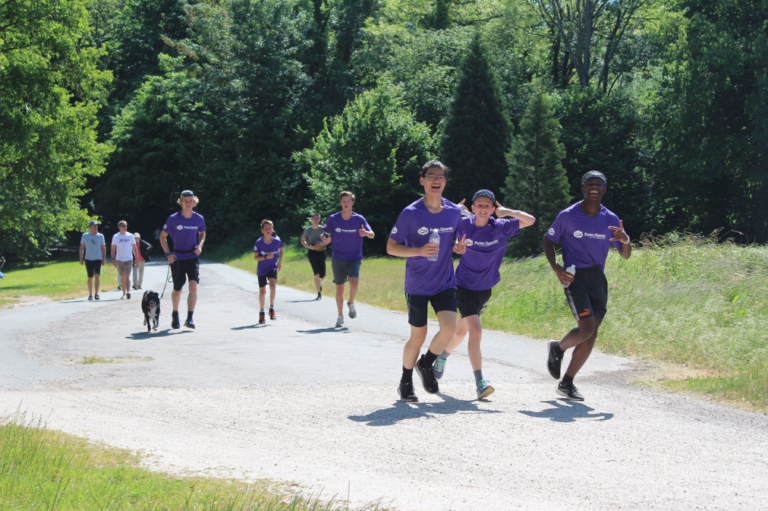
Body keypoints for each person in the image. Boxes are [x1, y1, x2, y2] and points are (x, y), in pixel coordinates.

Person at [435, 190, 535, 399]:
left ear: (492, 209)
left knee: (462, 332)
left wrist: (506, 211)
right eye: (479, 204)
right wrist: (457, 247)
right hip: (462, 285)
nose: (482, 208)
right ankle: (480, 382)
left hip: (485, 287)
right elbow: (448, 235)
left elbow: (530, 220)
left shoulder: (501, 227)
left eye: (487, 205)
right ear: (472, 208)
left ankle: (443, 356)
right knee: (477, 332)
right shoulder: (463, 224)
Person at [544, 171, 631, 401]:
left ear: (604, 189)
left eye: (599, 184)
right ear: (582, 189)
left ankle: (567, 383)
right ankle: (558, 349)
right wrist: (556, 267)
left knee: (591, 335)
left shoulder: (610, 218)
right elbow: (548, 240)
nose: (594, 187)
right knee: (585, 329)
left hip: (597, 279)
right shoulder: (568, 215)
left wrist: (625, 240)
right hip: (575, 277)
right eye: (589, 184)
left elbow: (625, 254)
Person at [387, 160, 467, 402]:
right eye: (431, 176)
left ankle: (427, 363)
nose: (436, 180)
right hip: (418, 284)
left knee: (449, 329)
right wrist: (419, 252)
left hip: (444, 281)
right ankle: (405, 382)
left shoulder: (454, 211)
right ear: (422, 181)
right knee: (418, 337)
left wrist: (458, 247)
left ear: (445, 182)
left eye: (440, 177)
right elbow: (391, 247)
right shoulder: (410, 213)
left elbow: (455, 241)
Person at [324, 191, 374, 328]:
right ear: (340, 203)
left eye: (348, 201)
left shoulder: (359, 219)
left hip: (354, 257)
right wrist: (325, 239)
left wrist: (366, 233)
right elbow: (325, 234)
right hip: (338, 258)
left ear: (352, 203)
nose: (346, 203)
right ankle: (340, 316)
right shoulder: (333, 219)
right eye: (344, 201)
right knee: (339, 289)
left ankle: (351, 302)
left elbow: (372, 234)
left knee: (354, 282)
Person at [159, 190, 207, 330]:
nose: (188, 203)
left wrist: (200, 245)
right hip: (177, 258)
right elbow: (163, 237)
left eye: (191, 201)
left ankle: (190, 318)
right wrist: (168, 253)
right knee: (178, 289)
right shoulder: (173, 219)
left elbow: (202, 232)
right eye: (185, 200)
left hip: (192, 257)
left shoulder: (199, 218)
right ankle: (175, 314)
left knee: (193, 286)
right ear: (180, 202)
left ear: (194, 202)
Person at [254, 219, 284, 324]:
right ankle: (262, 312)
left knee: (273, 286)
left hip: (272, 267)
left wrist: (279, 262)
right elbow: (256, 258)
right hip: (262, 269)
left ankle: (271, 308)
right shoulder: (259, 243)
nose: (268, 230)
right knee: (262, 291)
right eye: (266, 228)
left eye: (270, 228)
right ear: (262, 230)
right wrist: (267, 257)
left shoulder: (277, 241)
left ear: (272, 230)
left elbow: (282, 249)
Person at [301, 213, 329, 300]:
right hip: (312, 253)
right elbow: (303, 241)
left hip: (321, 252)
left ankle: (319, 285)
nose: (316, 220)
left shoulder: (323, 229)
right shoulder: (308, 230)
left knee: (323, 274)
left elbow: (328, 240)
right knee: (316, 273)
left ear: (319, 220)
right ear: (312, 220)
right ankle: (319, 293)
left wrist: (323, 243)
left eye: (318, 219)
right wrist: (308, 246)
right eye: (314, 218)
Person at [79, 220, 106, 300]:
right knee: (90, 277)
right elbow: (82, 248)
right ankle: (90, 294)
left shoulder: (100, 236)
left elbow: (103, 248)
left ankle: (96, 293)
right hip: (88, 258)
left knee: (97, 275)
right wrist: (81, 258)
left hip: (98, 258)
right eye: (93, 226)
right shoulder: (85, 236)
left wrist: (104, 258)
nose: (95, 227)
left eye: (96, 226)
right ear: (90, 227)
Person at [111, 220, 138, 299]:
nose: (125, 227)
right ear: (119, 227)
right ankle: (124, 292)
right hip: (119, 259)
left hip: (129, 259)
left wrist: (136, 258)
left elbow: (134, 247)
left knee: (127, 275)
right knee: (122, 276)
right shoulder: (116, 237)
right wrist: (113, 259)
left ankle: (128, 291)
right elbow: (113, 248)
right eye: (123, 226)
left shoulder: (130, 236)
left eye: (126, 226)